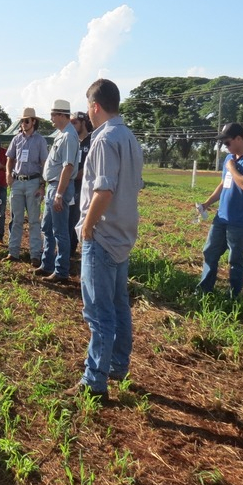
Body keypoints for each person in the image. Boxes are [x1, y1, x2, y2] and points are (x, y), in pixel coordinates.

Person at [66, 78, 143, 401]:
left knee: (99, 312)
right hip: (123, 235)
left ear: (95, 107)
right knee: (118, 305)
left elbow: (104, 189)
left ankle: (95, 380)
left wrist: (87, 227)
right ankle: (117, 364)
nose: (87, 111)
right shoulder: (130, 138)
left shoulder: (103, 140)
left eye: (87, 106)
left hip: (102, 235)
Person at [197, 122, 243, 298]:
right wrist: (207, 203)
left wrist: (233, 168)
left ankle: (233, 296)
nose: (225, 147)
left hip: (239, 221)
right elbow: (223, 185)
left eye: (227, 143)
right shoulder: (229, 159)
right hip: (221, 217)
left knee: (235, 260)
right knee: (209, 252)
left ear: (239, 138)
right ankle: (205, 289)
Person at [35, 99, 79, 281]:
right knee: (47, 226)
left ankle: (61, 271)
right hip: (53, 186)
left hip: (59, 187)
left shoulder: (69, 136)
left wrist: (59, 194)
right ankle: (47, 264)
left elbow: (67, 167)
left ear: (62, 115)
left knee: (60, 230)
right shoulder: (62, 134)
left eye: (53, 115)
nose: (51, 118)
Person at [5, 108, 49, 266]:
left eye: (26, 121)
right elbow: (10, 158)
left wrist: (42, 185)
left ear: (33, 122)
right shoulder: (16, 139)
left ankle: (35, 255)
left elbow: (45, 164)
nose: (23, 124)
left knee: (33, 221)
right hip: (17, 182)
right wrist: (8, 174)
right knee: (16, 219)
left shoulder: (40, 141)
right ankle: (13, 252)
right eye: (22, 121)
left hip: (33, 183)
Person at [68, 111, 93, 256]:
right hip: (71, 185)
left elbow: (89, 167)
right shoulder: (72, 140)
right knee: (69, 218)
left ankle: (80, 251)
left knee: (79, 218)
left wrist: (72, 176)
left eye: (74, 123)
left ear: (83, 123)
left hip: (85, 187)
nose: (72, 126)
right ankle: (69, 251)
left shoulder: (92, 141)